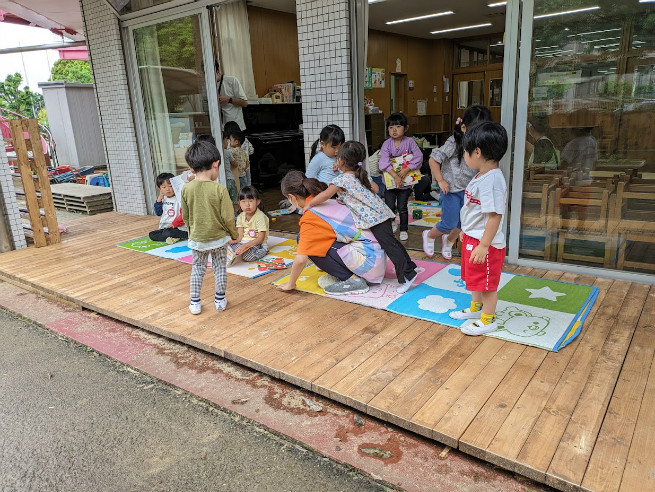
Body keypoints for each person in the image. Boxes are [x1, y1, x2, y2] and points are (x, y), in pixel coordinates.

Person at [304, 141, 418, 294]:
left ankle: (407, 275)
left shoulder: (342, 179)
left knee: (390, 246)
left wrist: (309, 204)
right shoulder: (359, 175)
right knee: (392, 243)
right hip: (381, 215)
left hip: (375, 219)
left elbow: (325, 195)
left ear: (341, 161)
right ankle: (410, 268)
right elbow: (377, 189)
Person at [276, 171, 386, 295]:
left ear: (292, 197)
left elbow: (301, 259)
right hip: (376, 256)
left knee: (303, 241)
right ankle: (348, 274)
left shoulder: (310, 216)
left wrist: (291, 283)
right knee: (310, 241)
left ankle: (353, 280)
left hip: (368, 264)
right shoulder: (325, 199)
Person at [447, 121, 508, 336]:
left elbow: (494, 215)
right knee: (474, 278)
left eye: (465, 151)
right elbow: (474, 209)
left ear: (478, 152)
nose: (464, 155)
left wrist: (484, 244)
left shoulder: (492, 181)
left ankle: (488, 319)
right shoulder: (481, 176)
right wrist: (466, 230)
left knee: (487, 283)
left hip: (486, 243)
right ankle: (476, 309)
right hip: (474, 238)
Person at [422, 105, 493, 260]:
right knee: (448, 222)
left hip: (469, 191)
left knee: (463, 224)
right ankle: (429, 235)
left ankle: (448, 241)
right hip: (451, 190)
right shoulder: (453, 142)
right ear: (463, 127)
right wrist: (440, 180)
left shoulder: (481, 145)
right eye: (475, 131)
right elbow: (433, 159)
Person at [181, 140, 238, 315]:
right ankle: (219, 300)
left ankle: (195, 303)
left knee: (197, 269)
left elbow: (186, 216)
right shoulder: (219, 189)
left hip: (197, 238)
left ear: (192, 168)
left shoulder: (186, 189)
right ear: (216, 164)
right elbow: (228, 217)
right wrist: (234, 234)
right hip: (218, 238)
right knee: (219, 268)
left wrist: (192, 231)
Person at [378, 113, 423, 242]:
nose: (394, 130)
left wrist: (407, 169)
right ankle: (392, 222)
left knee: (403, 207)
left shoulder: (410, 142)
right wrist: (396, 176)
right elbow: (383, 163)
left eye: (398, 126)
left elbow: (418, 157)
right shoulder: (386, 144)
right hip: (390, 182)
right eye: (391, 127)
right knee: (389, 206)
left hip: (406, 182)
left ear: (406, 128)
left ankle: (403, 229)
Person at [227, 186, 270, 265]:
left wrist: (245, 246)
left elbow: (260, 238)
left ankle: (264, 250)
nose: (247, 205)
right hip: (244, 242)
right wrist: (233, 241)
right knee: (225, 247)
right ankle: (241, 252)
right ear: (239, 203)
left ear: (257, 202)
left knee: (247, 257)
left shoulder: (260, 217)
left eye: (250, 201)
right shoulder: (240, 217)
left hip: (257, 244)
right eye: (243, 201)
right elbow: (240, 236)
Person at [148, 172, 188, 244]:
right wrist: (158, 202)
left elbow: (184, 214)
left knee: (168, 232)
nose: (168, 189)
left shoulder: (179, 198)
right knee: (151, 235)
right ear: (159, 188)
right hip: (165, 226)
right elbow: (159, 213)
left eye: (170, 186)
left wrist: (174, 224)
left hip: (177, 226)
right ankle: (173, 237)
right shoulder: (163, 199)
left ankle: (185, 235)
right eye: (164, 187)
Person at [216, 63, 248, 130]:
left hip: (235, 127)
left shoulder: (232, 80)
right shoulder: (210, 85)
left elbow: (245, 103)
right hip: (220, 127)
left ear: (218, 71)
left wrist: (229, 100)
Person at [224, 121, 254, 189]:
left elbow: (228, 153)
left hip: (237, 169)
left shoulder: (230, 142)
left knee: (239, 185)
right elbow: (251, 150)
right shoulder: (245, 139)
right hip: (246, 165)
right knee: (248, 183)